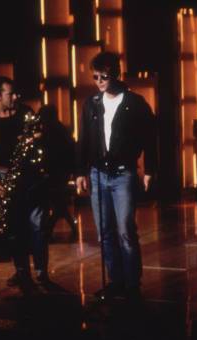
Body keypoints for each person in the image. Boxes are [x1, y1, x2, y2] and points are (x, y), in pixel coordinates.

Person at [75, 52, 157, 300]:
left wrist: (149, 170)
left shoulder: (135, 103)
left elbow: (150, 139)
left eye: (104, 77)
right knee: (105, 231)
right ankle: (115, 280)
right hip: (98, 174)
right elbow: (84, 140)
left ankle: (132, 283)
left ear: (116, 75)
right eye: (95, 77)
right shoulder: (91, 105)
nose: (98, 81)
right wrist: (80, 171)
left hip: (123, 174)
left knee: (125, 230)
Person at [0, 76, 49, 286]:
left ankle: (41, 272)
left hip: (31, 176)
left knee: (37, 224)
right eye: (9, 94)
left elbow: (39, 132)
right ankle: (22, 271)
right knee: (15, 226)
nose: (15, 96)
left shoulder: (25, 111)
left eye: (15, 93)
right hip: (6, 176)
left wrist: (34, 138)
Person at [39, 105, 78, 240]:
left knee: (58, 201)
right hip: (62, 171)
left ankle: (49, 228)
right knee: (58, 202)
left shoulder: (51, 131)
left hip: (56, 171)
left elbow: (52, 153)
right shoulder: (61, 129)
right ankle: (57, 228)